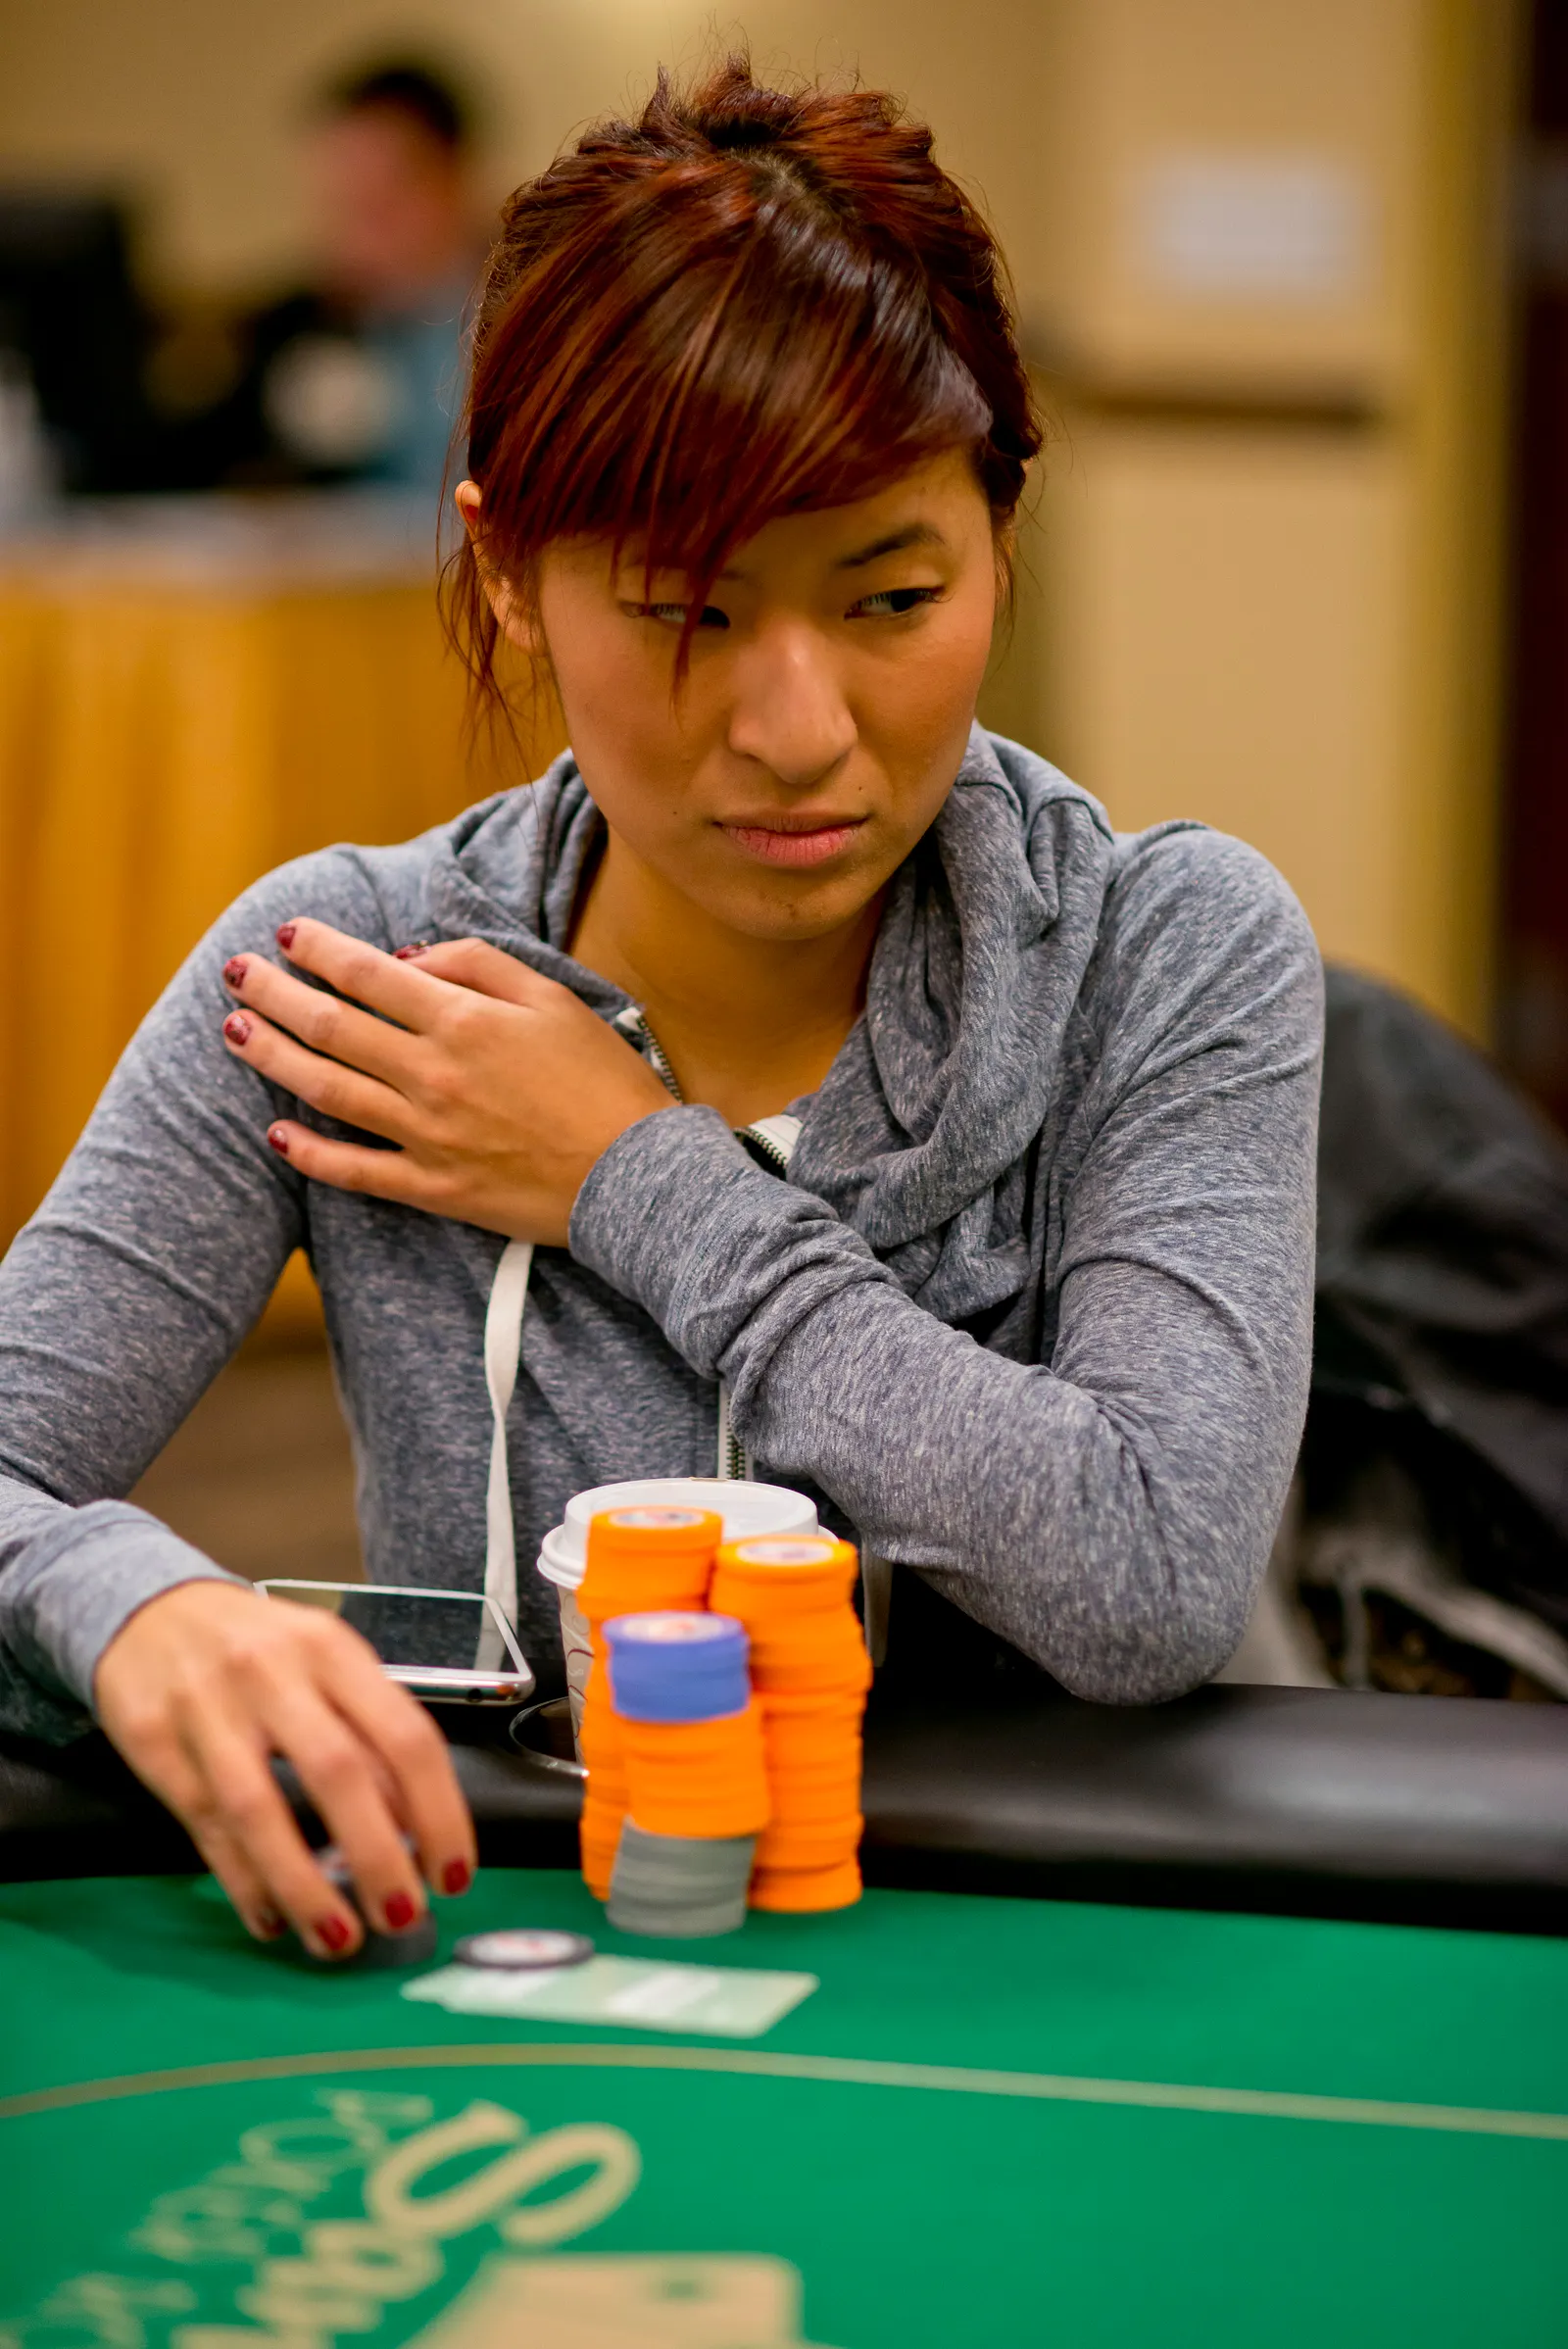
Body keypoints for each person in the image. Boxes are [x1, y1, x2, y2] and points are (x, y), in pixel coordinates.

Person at [0, 63, 1322, 1957]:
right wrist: (127, 1599)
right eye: (689, 610)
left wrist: (629, 1175)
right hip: (527, 1970)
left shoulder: (1165, 948)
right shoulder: (353, 983)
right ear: (506, 574)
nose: (798, 731)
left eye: (890, 599)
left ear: (999, 536)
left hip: (1047, 1977)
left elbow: (1152, 1564)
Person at [170, 59, 485, 492]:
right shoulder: (293, 328)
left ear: (453, 180)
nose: (354, 242)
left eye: (377, 207)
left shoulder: (522, 314)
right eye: (340, 209)